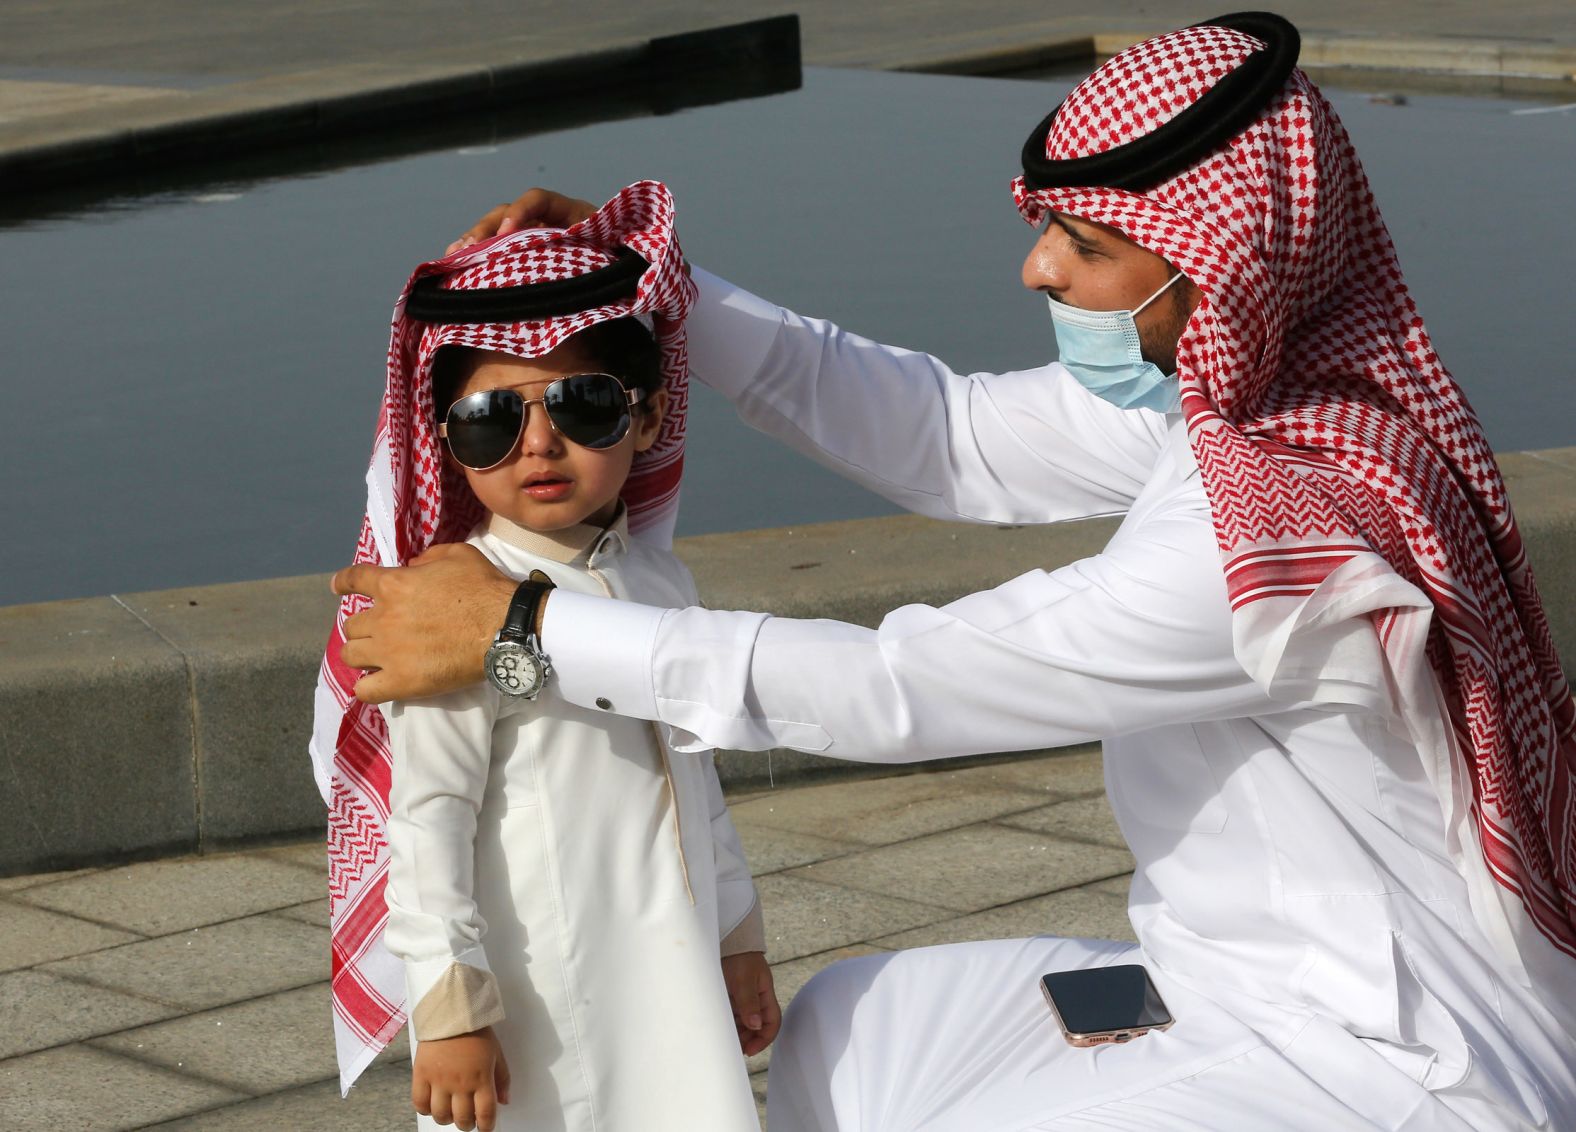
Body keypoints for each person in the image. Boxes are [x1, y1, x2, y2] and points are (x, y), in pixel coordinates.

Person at [332, 14, 1576, 1132]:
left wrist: (526, 632)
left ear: (1215, 270)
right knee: (851, 1035)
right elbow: (947, 434)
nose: (1038, 268)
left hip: (1386, 1061)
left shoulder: (1271, 545)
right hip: (1217, 982)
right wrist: (643, 292)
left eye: (1082, 243)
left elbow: (900, 686)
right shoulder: (1245, 403)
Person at [309, 181, 776, 1132]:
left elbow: (701, 781)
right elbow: (426, 822)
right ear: (445, 444)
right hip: (534, 995)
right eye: (492, 420)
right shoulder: (446, 606)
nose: (539, 444)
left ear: (647, 420)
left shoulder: (660, 579)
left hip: (670, 965)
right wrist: (448, 1011)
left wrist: (737, 937)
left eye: (584, 405)